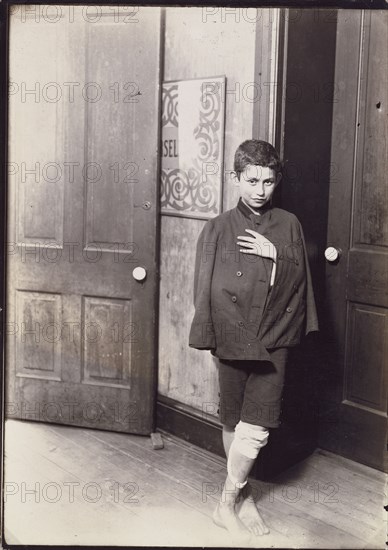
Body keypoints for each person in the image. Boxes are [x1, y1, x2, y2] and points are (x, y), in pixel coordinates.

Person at [189, 139, 319, 541]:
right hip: (231, 337)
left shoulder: (289, 224)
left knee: (257, 426)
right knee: (233, 418)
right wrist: (211, 335)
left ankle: (225, 503)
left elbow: (304, 286)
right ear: (236, 178)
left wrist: (276, 254)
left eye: (268, 181)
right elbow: (203, 289)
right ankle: (244, 499)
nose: (260, 190)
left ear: (276, 179)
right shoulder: (217, 227)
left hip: (273, 339)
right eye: (251, 180)